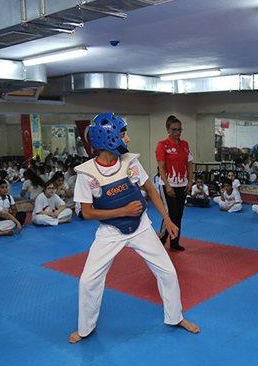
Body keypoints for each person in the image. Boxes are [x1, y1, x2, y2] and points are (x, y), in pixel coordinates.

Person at [69, 112, 199, 344]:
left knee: (167, 272)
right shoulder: (86, 174)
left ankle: (175, 317)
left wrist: (168, 220)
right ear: (107, 138)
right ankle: (85, 329)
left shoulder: (130, 161)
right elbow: (86, 213)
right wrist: (122, 212)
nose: (126, 139)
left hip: (141, 227)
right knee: (88, 280)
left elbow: (150, 188)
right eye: (123, 134)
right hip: (109, 233)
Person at [156, 115, 194, 252]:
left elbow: (189, 164)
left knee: (178, 215)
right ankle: (161, 240)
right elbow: (161, 167)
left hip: (182, 185)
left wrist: (190, 181)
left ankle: (174, 242)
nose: (177, 133)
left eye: (179, 130)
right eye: (174, 130)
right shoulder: (162, 145)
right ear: (168, 130)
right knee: (170, 214)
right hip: (168, 185)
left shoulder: (185, 145)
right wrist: (167, 185)